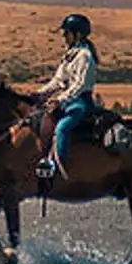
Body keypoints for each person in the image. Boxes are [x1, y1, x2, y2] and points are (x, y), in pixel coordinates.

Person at [34, 12, 100, 180]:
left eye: (66, 33)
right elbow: (57, 80)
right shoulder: (70, 55)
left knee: (62, 128)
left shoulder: (85, 56)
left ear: (77, 34)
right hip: (67, 100)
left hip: (80, 103)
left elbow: (80, 85)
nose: (64, 36)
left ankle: (57, 168)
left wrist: (60, 99)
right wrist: (40, 93)